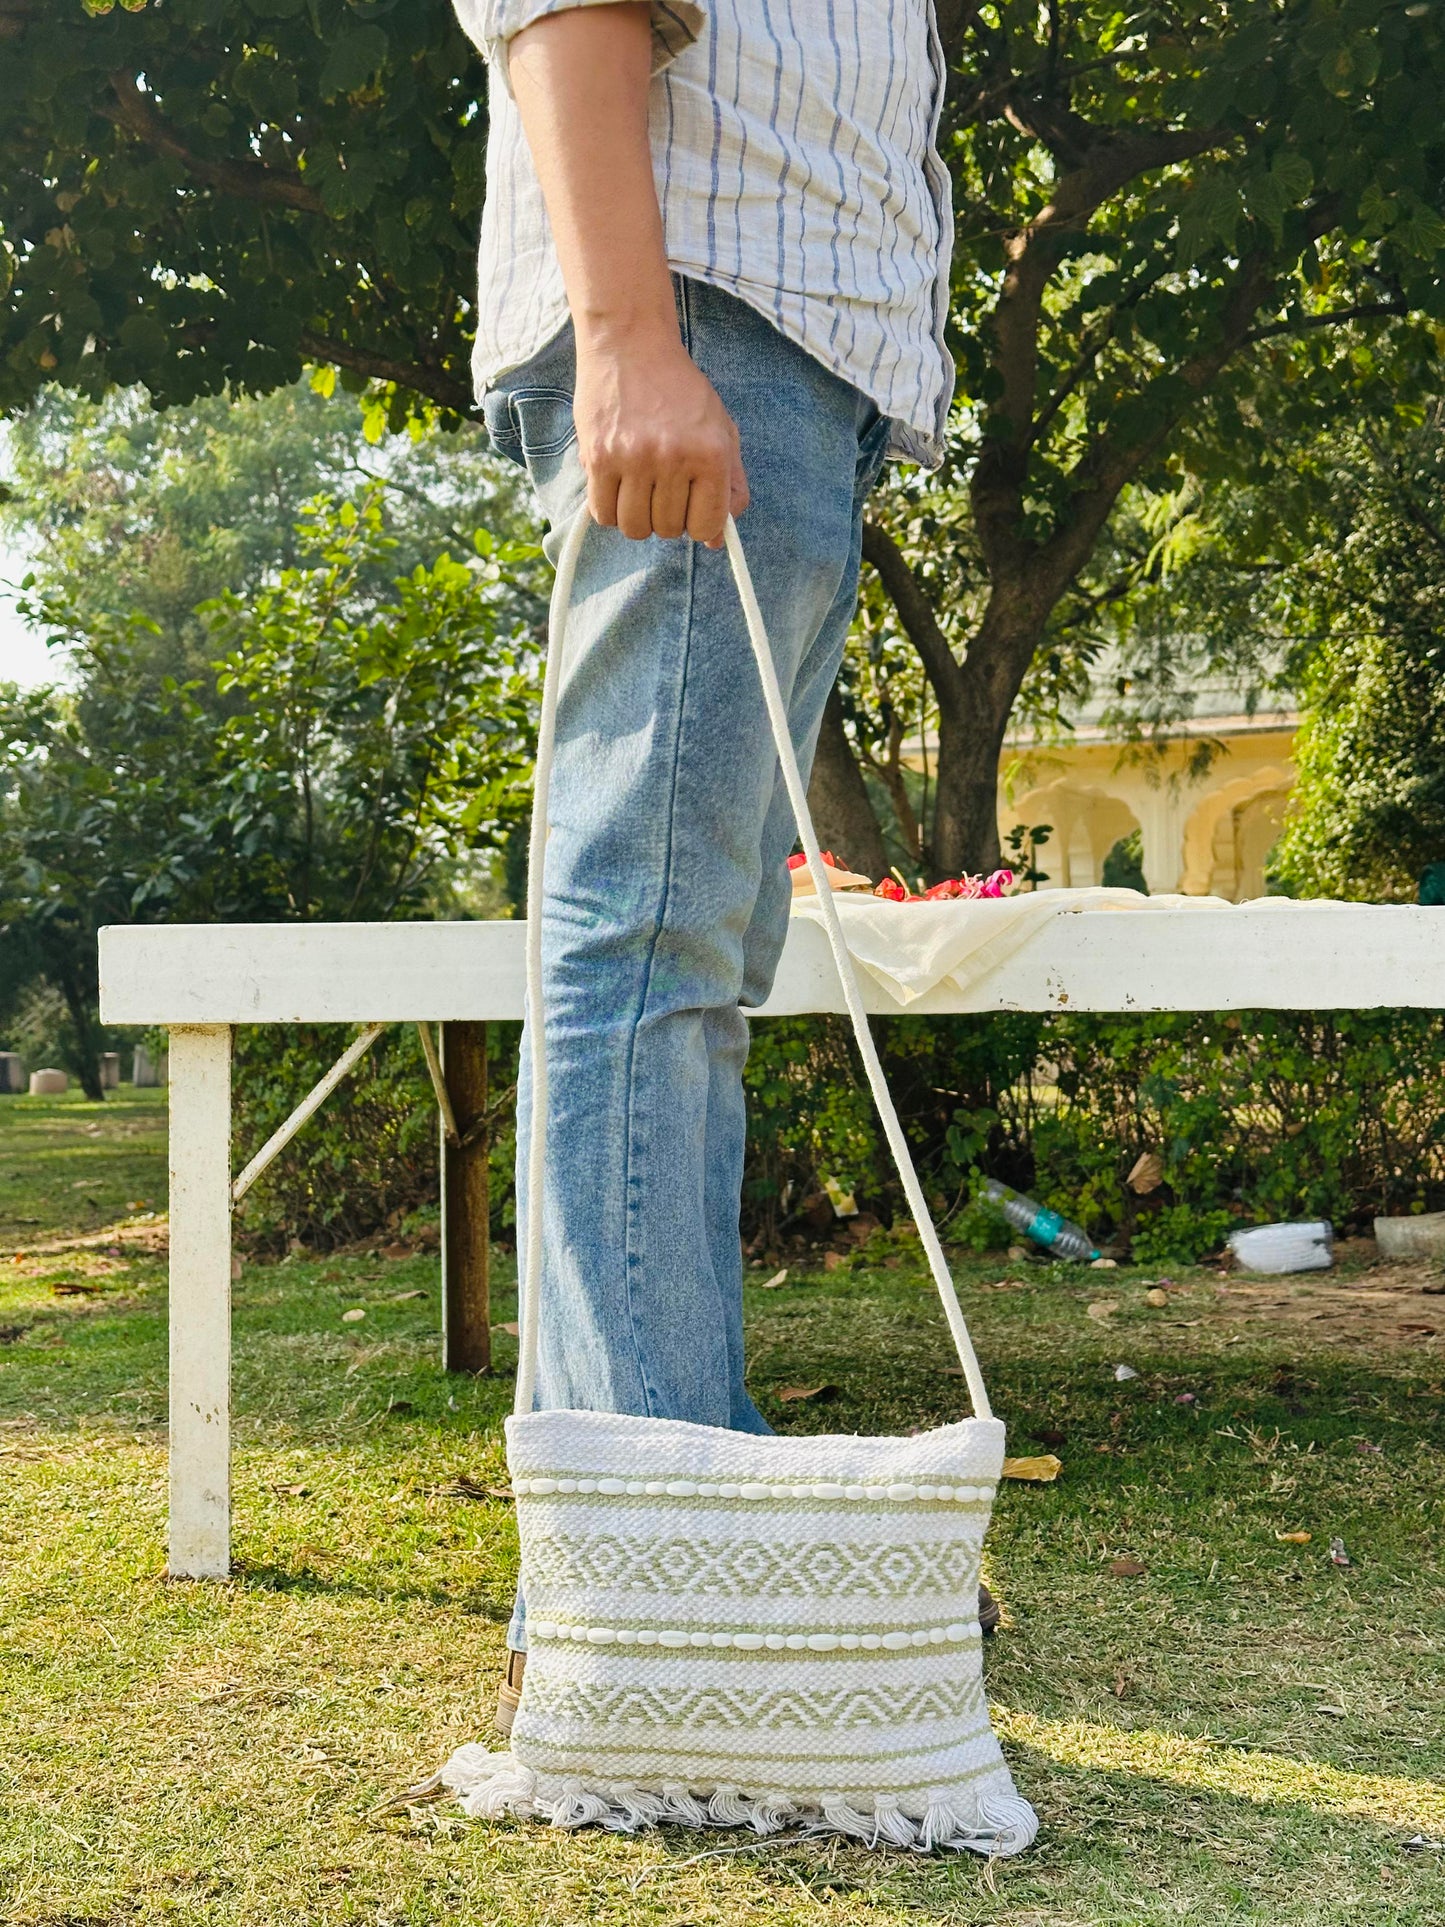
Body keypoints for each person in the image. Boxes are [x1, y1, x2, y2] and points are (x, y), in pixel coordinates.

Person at [450, 0, 983, 1733]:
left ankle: (671, 1520)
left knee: (696, 957)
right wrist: (628, 336)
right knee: (649, 944)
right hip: (703, 316)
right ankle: (657, 1562)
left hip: (794, 355)